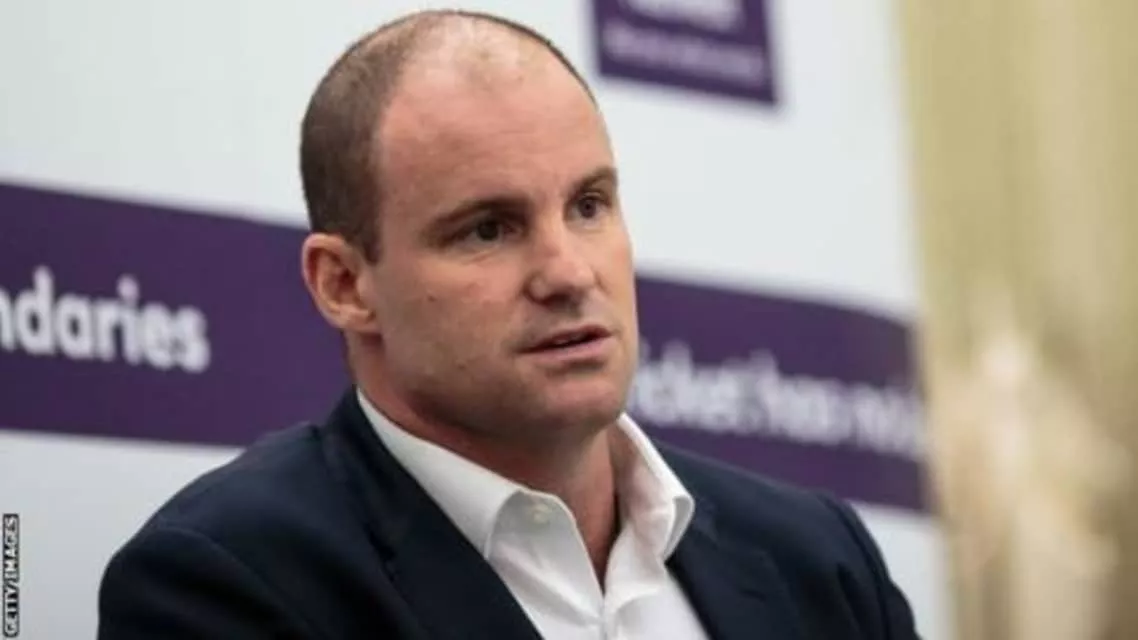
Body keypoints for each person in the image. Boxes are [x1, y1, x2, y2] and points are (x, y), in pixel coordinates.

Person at [97, 9, 919, 639]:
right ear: (344, 284)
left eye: (588, 205)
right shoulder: (224, 583)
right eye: (488, 229)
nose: (569, 272)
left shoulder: (820, 560)